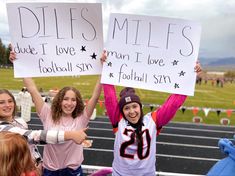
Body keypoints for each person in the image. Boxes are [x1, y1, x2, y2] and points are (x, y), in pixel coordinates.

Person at [9, 50, 106, 176]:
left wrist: (104, 69)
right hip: (50, 171)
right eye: (65, 99)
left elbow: (95, 95)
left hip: (73, 171)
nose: (69, 103)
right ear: (59, 100)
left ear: (77, 103)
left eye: (73, 100)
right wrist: (18, 63)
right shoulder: (47, 114)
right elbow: (32, 90)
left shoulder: (82, 118)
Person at [102, 62, 202, 175]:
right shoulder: (118, 120)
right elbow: (110, 98)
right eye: (126, 108)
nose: (131, 111)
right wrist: (106, 67)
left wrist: (190, 77)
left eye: (135, 106)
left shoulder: (152, 120)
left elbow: (173, 104)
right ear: (122, 111)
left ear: (140, 107)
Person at [0, 88, 93, 175]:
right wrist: (71, 135)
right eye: (1, 102)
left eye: (10, 101)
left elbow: (31, 146)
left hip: (29, 169)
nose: (7, 105)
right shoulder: (2, 127)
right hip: (12, 170)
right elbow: (34, 136)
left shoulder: (20, 121)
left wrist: (38, 162)